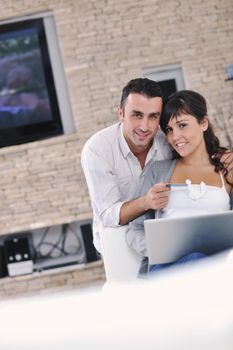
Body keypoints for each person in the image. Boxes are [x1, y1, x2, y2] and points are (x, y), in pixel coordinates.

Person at [81, 78, 233, 254]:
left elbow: (195, 148)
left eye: (153, 116)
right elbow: (109, 215)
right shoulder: (98, 149)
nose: (145, 126)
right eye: (137, 115)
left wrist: (221, 156)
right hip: (119, 241)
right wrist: (146, 202)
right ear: (120, 113)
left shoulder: (167, 140)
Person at [126, 90, 233, 273]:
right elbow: (134, 230)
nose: (175, 137)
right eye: (169, 130)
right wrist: (157, 249)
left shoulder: (226, 167)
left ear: (204, 123)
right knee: (198, 261)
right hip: (168, 269)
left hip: (218, 265)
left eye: (182, 125)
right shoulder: (157, 171)